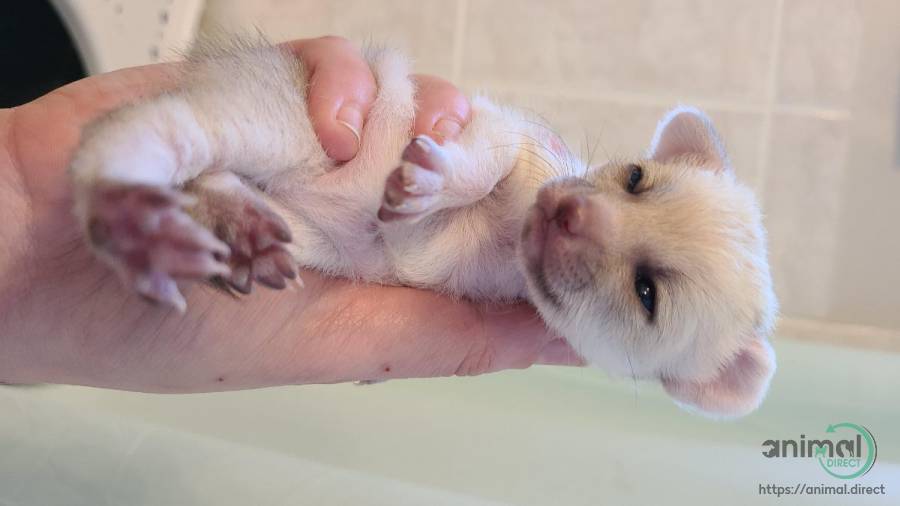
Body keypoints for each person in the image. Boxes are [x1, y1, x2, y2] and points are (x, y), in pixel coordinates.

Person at [0, 37, 581, 392]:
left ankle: (195, 197)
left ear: (673, 380)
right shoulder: (556, 174)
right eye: (635, 181)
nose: (589, 216)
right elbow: (503, 137)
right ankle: (137, 167)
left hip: (328, 235)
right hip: (338, 145)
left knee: (269, 234)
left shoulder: (513, 321)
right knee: (223, 131)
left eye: (648, 287)